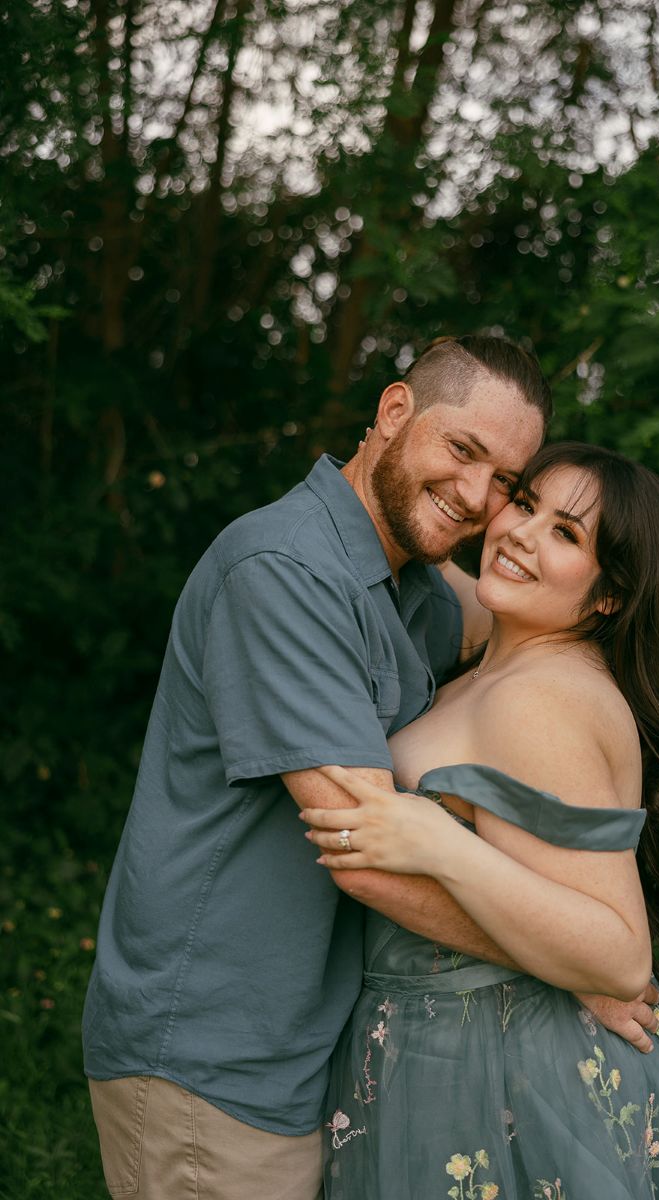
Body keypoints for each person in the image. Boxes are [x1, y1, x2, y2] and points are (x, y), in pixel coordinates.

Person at [83, 335, 564, 1200]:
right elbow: (368, 850)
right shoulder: (284, 569)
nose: (475, 496)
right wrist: (574, 959)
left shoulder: (413, 587)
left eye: (506, 483)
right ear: (392, 413)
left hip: (312, 1053)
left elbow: (554, 626)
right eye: (462, 450)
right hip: (211, 1061)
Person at [300, 442, 659, 1200]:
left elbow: (621, 954)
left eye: (568, 535)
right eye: (525, 504)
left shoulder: (542, 699)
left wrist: (444, 847)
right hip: (443, 1052)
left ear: (609, 596)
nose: (524, 535)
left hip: (505, 1079)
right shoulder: (498, 666)